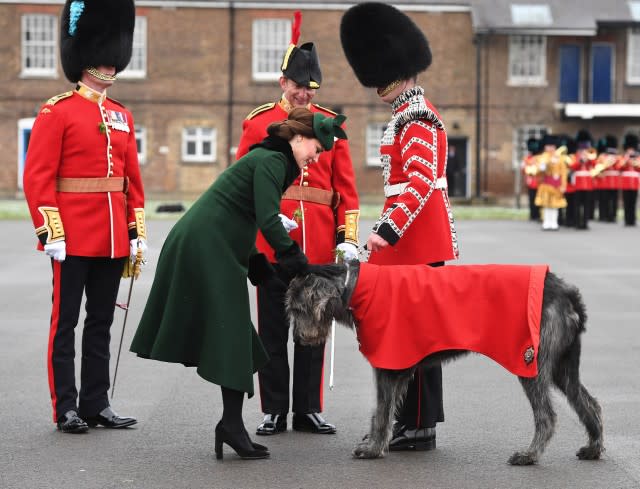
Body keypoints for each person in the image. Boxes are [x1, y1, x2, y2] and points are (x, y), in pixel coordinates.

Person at [130, 108, 348, 460]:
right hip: (205, 245)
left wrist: (257, 262)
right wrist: (294, 258)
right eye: (316, 149)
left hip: (216, 243)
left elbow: (241, 213)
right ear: (297, 138)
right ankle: (230, 426)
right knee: (231, 331)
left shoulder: (271, 160)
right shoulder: (273, 162)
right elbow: (265, 217)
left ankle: (230, 424)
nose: (316, 157)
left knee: (238, 336)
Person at [340, 2, 459, 452]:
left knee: (421, 334)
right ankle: (406, 419)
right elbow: (400, 187)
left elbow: (422, 183)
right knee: (403, 334)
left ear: (398, 72)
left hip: (416, 239)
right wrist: (386, 229)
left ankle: (422, 424)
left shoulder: (419, 116)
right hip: (404, 240)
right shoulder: (403, 114)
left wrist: (386, 231)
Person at [22, 0, 145, 434]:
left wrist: (135, 232)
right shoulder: (58, 111)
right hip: (71, 236)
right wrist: (49, 229)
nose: (110, 63)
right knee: (66, 323)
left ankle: (97, 402)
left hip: (112, 237)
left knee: (101, 323)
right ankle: (66, 406)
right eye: (103, 55)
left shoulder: (122, 116)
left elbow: (131, 181)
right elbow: (38, 177)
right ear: (84, 59)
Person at [236, 12, 360, 437]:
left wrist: (347, 239)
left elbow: (347, 192)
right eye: (297, 85)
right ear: (282, 82)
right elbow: (243, 186)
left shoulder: (330, 126)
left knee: (313, 330)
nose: (304, 93)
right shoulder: (257, 122)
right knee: (271, 328)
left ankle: (307, 408)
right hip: (272, 244)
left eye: (310, 87)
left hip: (319, 245)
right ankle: (274, 409)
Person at [534, 134, 568, 231]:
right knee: (546, 204)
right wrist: (544, 165)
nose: (550, 148)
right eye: (548, 146)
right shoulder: (542, 158)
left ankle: (554, 222)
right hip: (546, 184)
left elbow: (564, 173)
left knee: (555, 205)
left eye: (552, 146)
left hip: (556, 185)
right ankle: (546, 222)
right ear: (545, 147)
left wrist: (563, 185)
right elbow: (538, 172)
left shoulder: (560, 158)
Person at [571, 130, 596, 230]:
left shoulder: (590, 156)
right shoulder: (575, 156)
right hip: (577, 184)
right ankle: (577, 222)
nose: (583, 151)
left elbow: (594, 165)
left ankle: (585, 223)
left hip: (588, 184)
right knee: (577, 205)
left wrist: (588, 159)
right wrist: (581, 160)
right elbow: (573, 166)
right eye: (582, 149)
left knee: (586, 205)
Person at [618, 133, 639, 226]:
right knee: (626, 202)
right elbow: (619, 167)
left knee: (633, 202)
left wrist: (635, 162)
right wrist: (626, 160)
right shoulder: (623, 157)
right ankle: (627, 220)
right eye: (629, 149)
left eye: (632, 149)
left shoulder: (638, 158)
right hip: (625, 183)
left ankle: (632, 220)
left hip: (634, 183)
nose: (631, 151)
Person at [522, 137, 541, 221]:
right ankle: (533, 214)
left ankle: (539, 214)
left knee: (539, 198)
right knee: (532, 198)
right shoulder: (527, 158)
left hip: (539, 180)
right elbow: (524, 169)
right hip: (531, 180)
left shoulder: (540, 157)